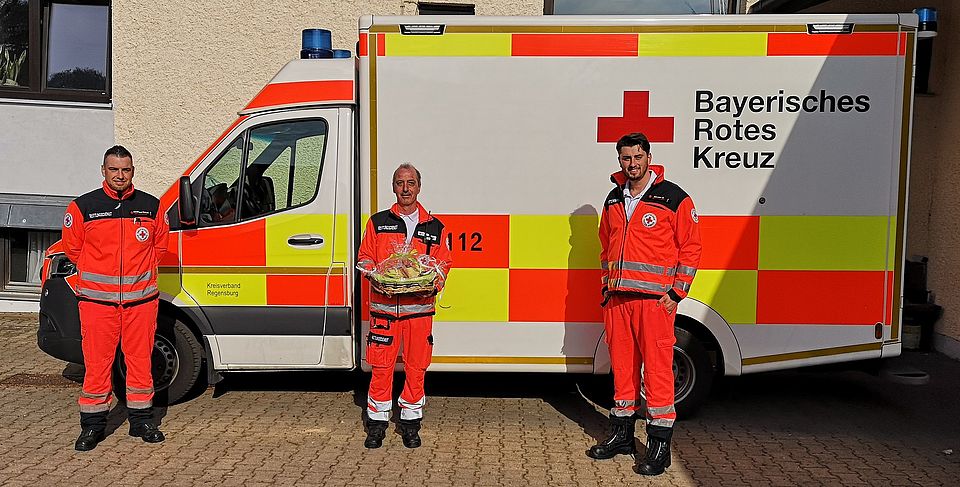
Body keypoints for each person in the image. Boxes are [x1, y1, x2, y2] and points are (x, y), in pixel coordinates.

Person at [589, 133, 702, 476]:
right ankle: (622, 435)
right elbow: (606, 246)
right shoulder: (613, 198)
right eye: (626, 158)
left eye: (638, 157)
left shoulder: (674, 198)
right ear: (619, 160)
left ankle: (659, 447)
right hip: (618, 300)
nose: (632, 164)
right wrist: (606, 288)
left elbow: (691, 247)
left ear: (649, 158)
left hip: (655, 302)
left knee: (657, 373)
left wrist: (677, 294)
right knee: (622, 370)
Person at [62, 145, 170, 451]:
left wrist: (138, 275)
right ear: (103, 171)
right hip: (97, 304)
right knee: (97, 366)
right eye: (114, 169)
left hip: (141, 303)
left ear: (132, 171)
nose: (120, 175)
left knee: (141, 363)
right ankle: (93, 426)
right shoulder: (83, 207)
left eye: (125, 169)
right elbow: (73, 249)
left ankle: (142, 421)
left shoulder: (151, 206)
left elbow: (159, 248)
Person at [357, 163, 452, 449]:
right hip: (384, 311)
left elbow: (444, 264)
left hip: (419, 312)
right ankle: (377, 424)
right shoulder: (377, 222)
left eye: (411, 183)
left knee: (416, 368)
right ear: (393, 187)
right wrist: (376, 273)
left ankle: (410, 424)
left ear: (419, 187)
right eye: (400, 183)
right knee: (381, 368)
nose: (406, 189)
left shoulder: (435, 227)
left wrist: (433, 282)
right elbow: (364, 258)